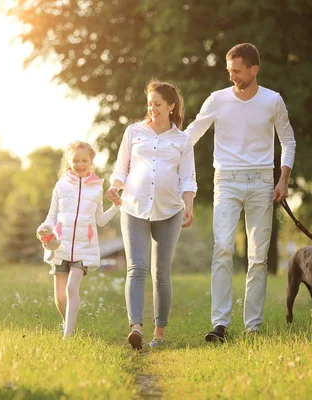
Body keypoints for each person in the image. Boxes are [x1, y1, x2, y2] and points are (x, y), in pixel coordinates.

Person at [184, 43, 297, 341]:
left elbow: (288, 141)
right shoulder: (217, 100)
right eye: (229, 70)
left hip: (262, 182)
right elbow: (192, 134)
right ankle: (219, 324)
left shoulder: (273, 101)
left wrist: (283, 180)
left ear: (254, 69)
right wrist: (160, 152)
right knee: (222, 247)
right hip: (227, 180)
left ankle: (253, 327)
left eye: (237, 70)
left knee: (258, 257)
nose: (232, 76)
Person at [106, 80, 197, 349]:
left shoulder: (182, 140)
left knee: (161, 274)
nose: (152, 109)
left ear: (171, 106)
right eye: (149, 104)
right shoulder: (134, 132)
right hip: (134, 207)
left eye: (158, 104)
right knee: (136, 268)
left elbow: (188, 179)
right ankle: (135, 327)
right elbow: (121, 169)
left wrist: (188, 205)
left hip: (169, 212)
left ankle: (159, 333)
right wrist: (114, 187)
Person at [37, 141, 121, 339]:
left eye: (84, 160)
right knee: (59, 298)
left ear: (91, 162)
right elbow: (51, 216)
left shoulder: (96, 188)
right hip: (61, 245)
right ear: (69, 161)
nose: (80, 164)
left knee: (71, 287)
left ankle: (68, 335)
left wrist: (116, 206)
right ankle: (66, 323)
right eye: (76, 160)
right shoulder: (61, 186)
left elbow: (100, 220)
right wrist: (44, 228)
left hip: (84, 247)